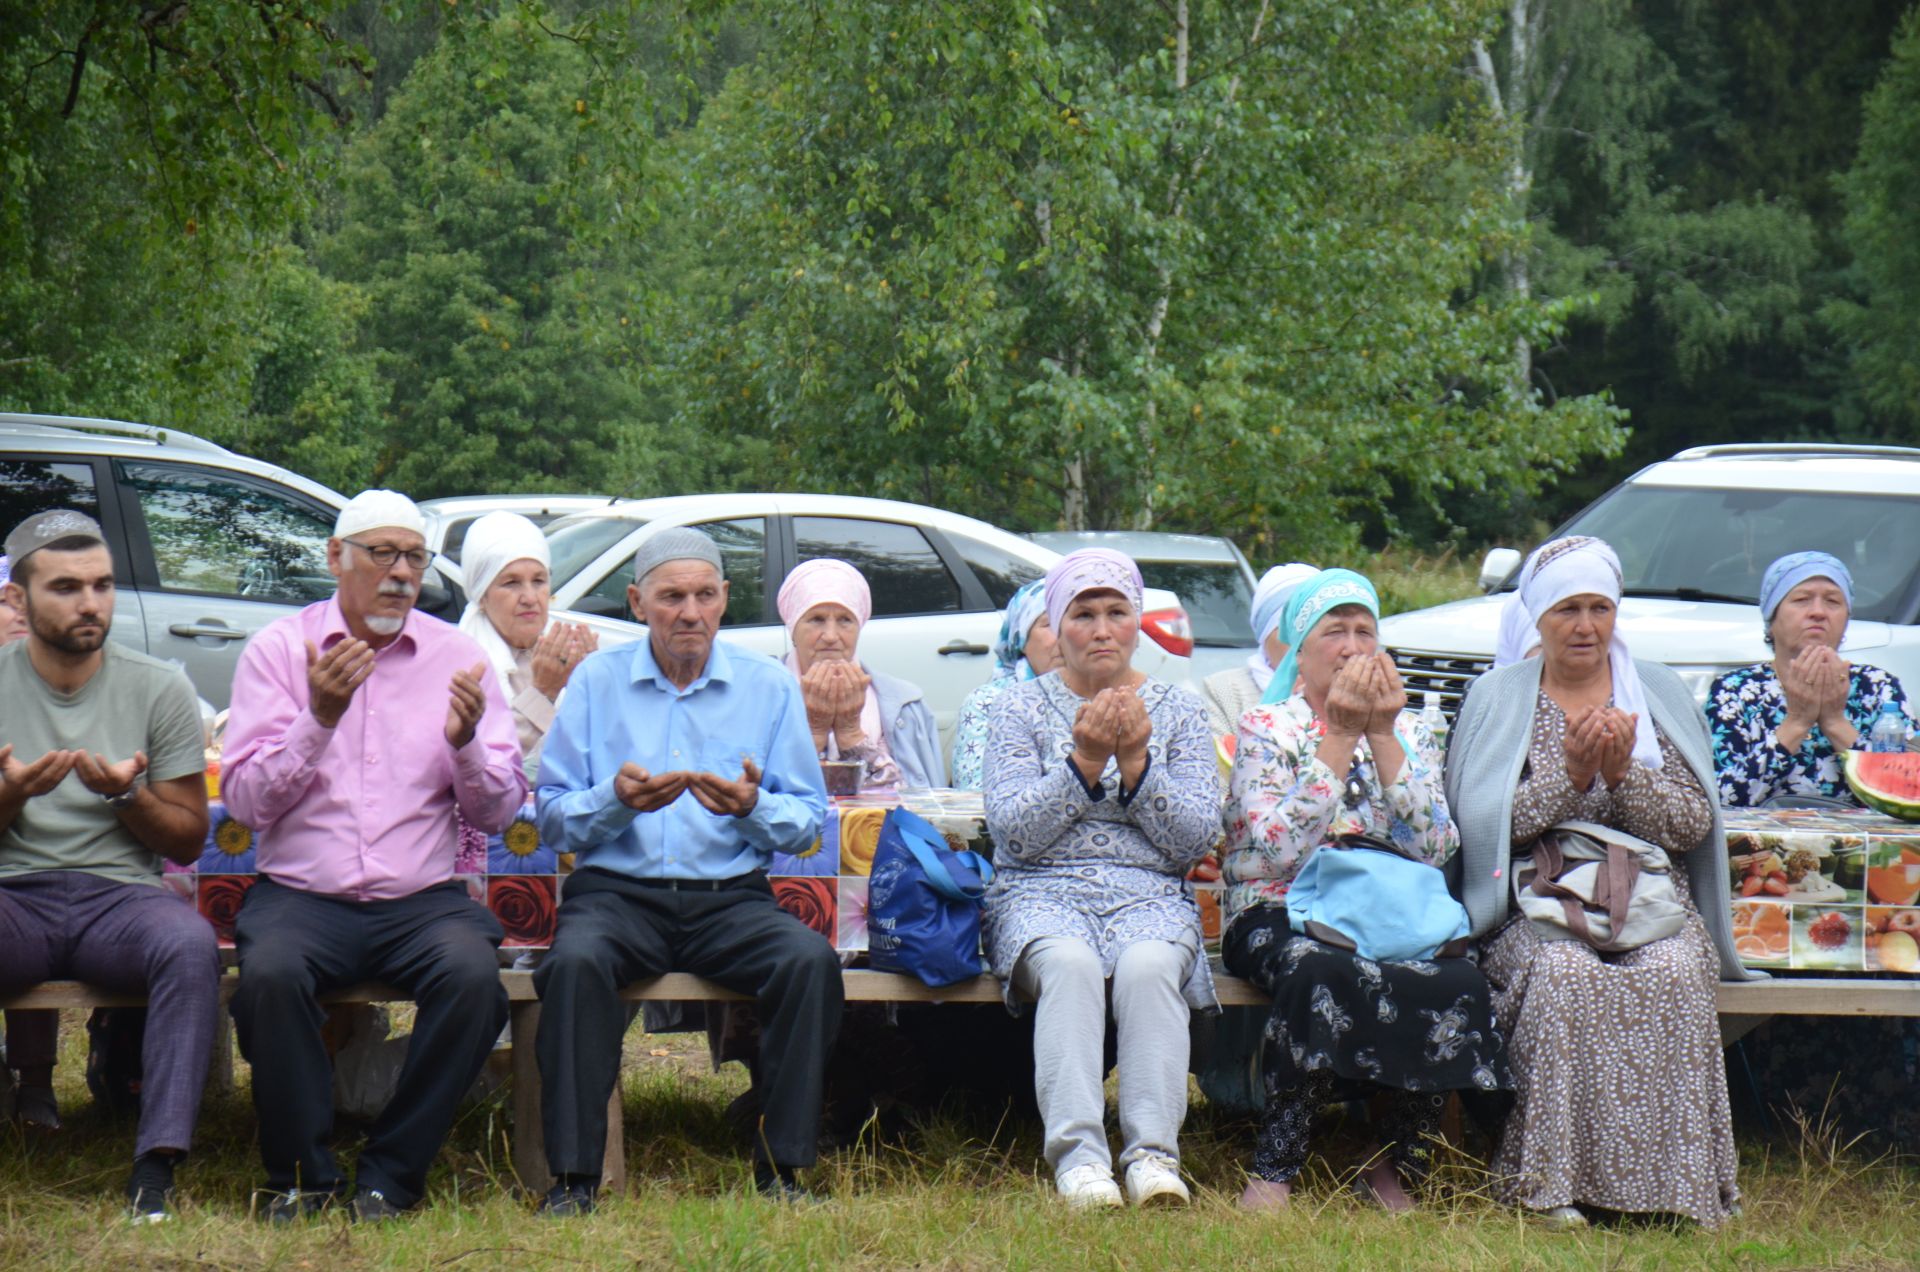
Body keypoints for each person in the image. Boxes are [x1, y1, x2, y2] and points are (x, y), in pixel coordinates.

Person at [222, 490, 527, 1223]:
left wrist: (464, 746)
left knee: (473, 978)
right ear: (336, 558)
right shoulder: (280, 651)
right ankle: (301, 1176)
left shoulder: (458, 658)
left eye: (414, 558)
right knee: (268, 975)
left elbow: (500, 811)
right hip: (303, 895)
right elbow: (244, 805)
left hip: (420, 901)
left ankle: (394, 1171)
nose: (400, 573)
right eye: (381, 554)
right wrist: (317, 719)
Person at [1445, 536, 1749, 1229]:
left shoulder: (1659, 692)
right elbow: (1483, 830)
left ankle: (1678, 1189)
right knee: (1564, 976)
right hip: (1536, 900)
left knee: (1672, 973)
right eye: (1567, 610)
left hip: (1650, 900)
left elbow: (1691, 823)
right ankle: (1550, 1187)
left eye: (1599, 608)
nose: (1585, 626)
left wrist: (1622, 777)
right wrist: (1569, 779)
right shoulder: (1498, 699)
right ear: (1538, 619)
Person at [533, 528, 837, 1214]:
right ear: (639, 602)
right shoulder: (596, 682)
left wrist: (753, 807)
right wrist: (616, 801)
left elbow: (805, 820)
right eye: (672, 597)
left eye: (705, 595)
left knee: (807, 963)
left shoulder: (765, 685)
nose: (690, 612)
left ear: (725, 599)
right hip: (616, 896)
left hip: (730, 900)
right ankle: (575, 1180)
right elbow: (550, 819)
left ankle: (783, 1173)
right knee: (575, 964)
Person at [1222, 568, 1510, 1213]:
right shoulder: (1267, 727)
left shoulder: (1409, 732)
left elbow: (1437, 850)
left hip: (1387, 910)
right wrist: (1339, 735)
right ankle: (1276, 1167)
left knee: (1455, 981)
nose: (1353, 646)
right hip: (1279, 906)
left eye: (1365, 631)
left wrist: (1380, 734)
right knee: (1318, 970)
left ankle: (1395, 1166)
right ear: (1300, 647)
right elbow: (1277, 850)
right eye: (1335, 632)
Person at [981, 547, 1222, 1209]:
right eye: (1083, 614)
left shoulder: (1178, 708)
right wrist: (1084, 764)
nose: (1102, 628)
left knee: (1148, 967)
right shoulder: (1019, 710)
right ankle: (1081, 1162)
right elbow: (1014, 833)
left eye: (1117, 612)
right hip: (1040, 892)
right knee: (1070, 965)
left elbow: (1195, 839)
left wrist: (1139, 764)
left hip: (1148, 892)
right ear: (1057, 629)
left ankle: (1151, 1160)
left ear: (1137, 623)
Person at [0, 513, 216, 1221]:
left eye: (101, 585)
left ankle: (156, 1167)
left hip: (118, 899)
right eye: (64, 587)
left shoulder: (159, 686)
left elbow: (186, 840)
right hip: (13, 896)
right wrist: (10, 795)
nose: (89, 603)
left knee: (188, 947)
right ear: (21, 600)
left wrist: (126, 796)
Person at [1707, 551, 1910, 808]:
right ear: (1771, 619)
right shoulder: (1734, 691)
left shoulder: (1881, 688)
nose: (1818, 612)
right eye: (1802, 600)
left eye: (1833, 602)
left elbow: (1904, 794)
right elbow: (1722, 798)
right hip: (1759, 846)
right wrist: (1797, 721)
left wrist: (1835, 722)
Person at [776, 558, 944, 789]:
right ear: (793, 627)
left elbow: (920, 807)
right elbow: (756, 798)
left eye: (845, 620)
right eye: (816, 620)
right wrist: (814, 733)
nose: (831, 636)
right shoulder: (759, 695)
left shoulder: (904, 705)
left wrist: (851, 734)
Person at [457, 511, 597, 781]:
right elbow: (483, 762)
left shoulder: (573, 646)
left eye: (539, 581)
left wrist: (594, 686)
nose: (530, 598)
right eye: (511, 583)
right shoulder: (458, 660)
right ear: (481, 595)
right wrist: (543, 692)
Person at [951, 580, 1061, 789]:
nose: (1065, 637)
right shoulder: (989, 701)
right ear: (1021, 638)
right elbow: (976, 793)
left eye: (1076, 622)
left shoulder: (1110, 698)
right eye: (1050, 625)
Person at [1201, 562, 1317, 737]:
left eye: (1313, 627)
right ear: (1264, 634)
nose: (1300, 640)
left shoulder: (1351, 687)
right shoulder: (1224, 690)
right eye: (1288, 628)